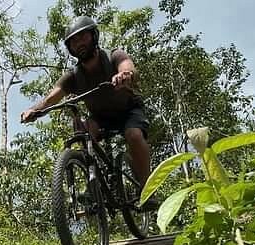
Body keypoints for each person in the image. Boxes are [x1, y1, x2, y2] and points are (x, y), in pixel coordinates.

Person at [20, 16, 158, 209]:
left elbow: (128, 66)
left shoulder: (113, 56)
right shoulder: (73, 77)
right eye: (74, 42)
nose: (79, 44)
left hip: (129, 110)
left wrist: (124, 75)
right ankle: (92, 184)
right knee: (84, 134)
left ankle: (147, 189)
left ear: (94, 36)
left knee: (134, 135)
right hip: (100, 117)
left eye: (82, 37)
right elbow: (51, 98)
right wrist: (34, 110)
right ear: (70, 49)